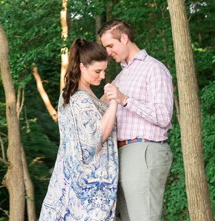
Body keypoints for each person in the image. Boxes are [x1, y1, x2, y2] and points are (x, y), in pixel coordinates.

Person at [99, 19, 173, 221]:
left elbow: (163, 116)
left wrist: (125, 100)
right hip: (120, 154)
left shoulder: (154, 68)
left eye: (110, 45)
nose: (108, 52)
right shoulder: (122, 76)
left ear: (124, 38)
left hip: (144, 151)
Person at [40, 39, 119, 221]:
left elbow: (90, 118)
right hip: (86, 190)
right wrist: (114, 102)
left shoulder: (76, 93)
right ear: (82, 68)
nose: (102, 75)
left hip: (72, 184)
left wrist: (105, 100)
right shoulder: (80, 98)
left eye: (104, 70)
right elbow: (95, 139)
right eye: (97, 71)